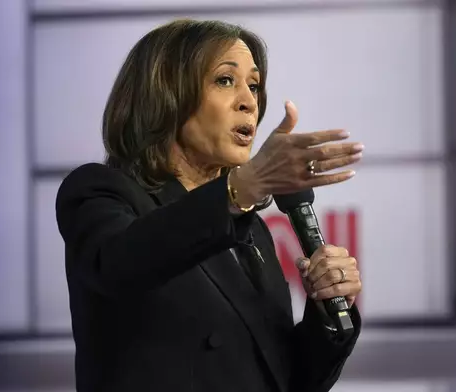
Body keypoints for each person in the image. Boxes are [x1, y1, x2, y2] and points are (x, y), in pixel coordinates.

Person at [55, 18, 364, 392]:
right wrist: (241, 188)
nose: (250, 102)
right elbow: (120, 265)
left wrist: (326, 313)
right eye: (224, 80)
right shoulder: (101, 191)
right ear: (166, 94)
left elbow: (282, 378)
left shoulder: (250, 231)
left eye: (254, 85)